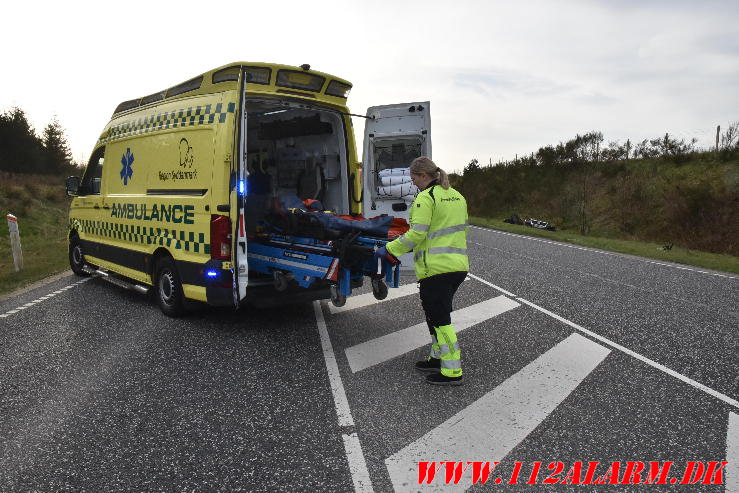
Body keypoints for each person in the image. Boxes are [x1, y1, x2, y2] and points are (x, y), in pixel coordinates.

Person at [375, 157, 469, 386]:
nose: (413, 182)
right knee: (434, 315)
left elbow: (417, 234)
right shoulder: (457, 196)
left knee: (440, 318)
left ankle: (452, 371)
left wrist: (389, 249)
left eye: (414, 178)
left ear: (423, 176)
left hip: (436, 268)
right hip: (457, 266)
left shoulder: (425, 199)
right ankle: (437, 358)